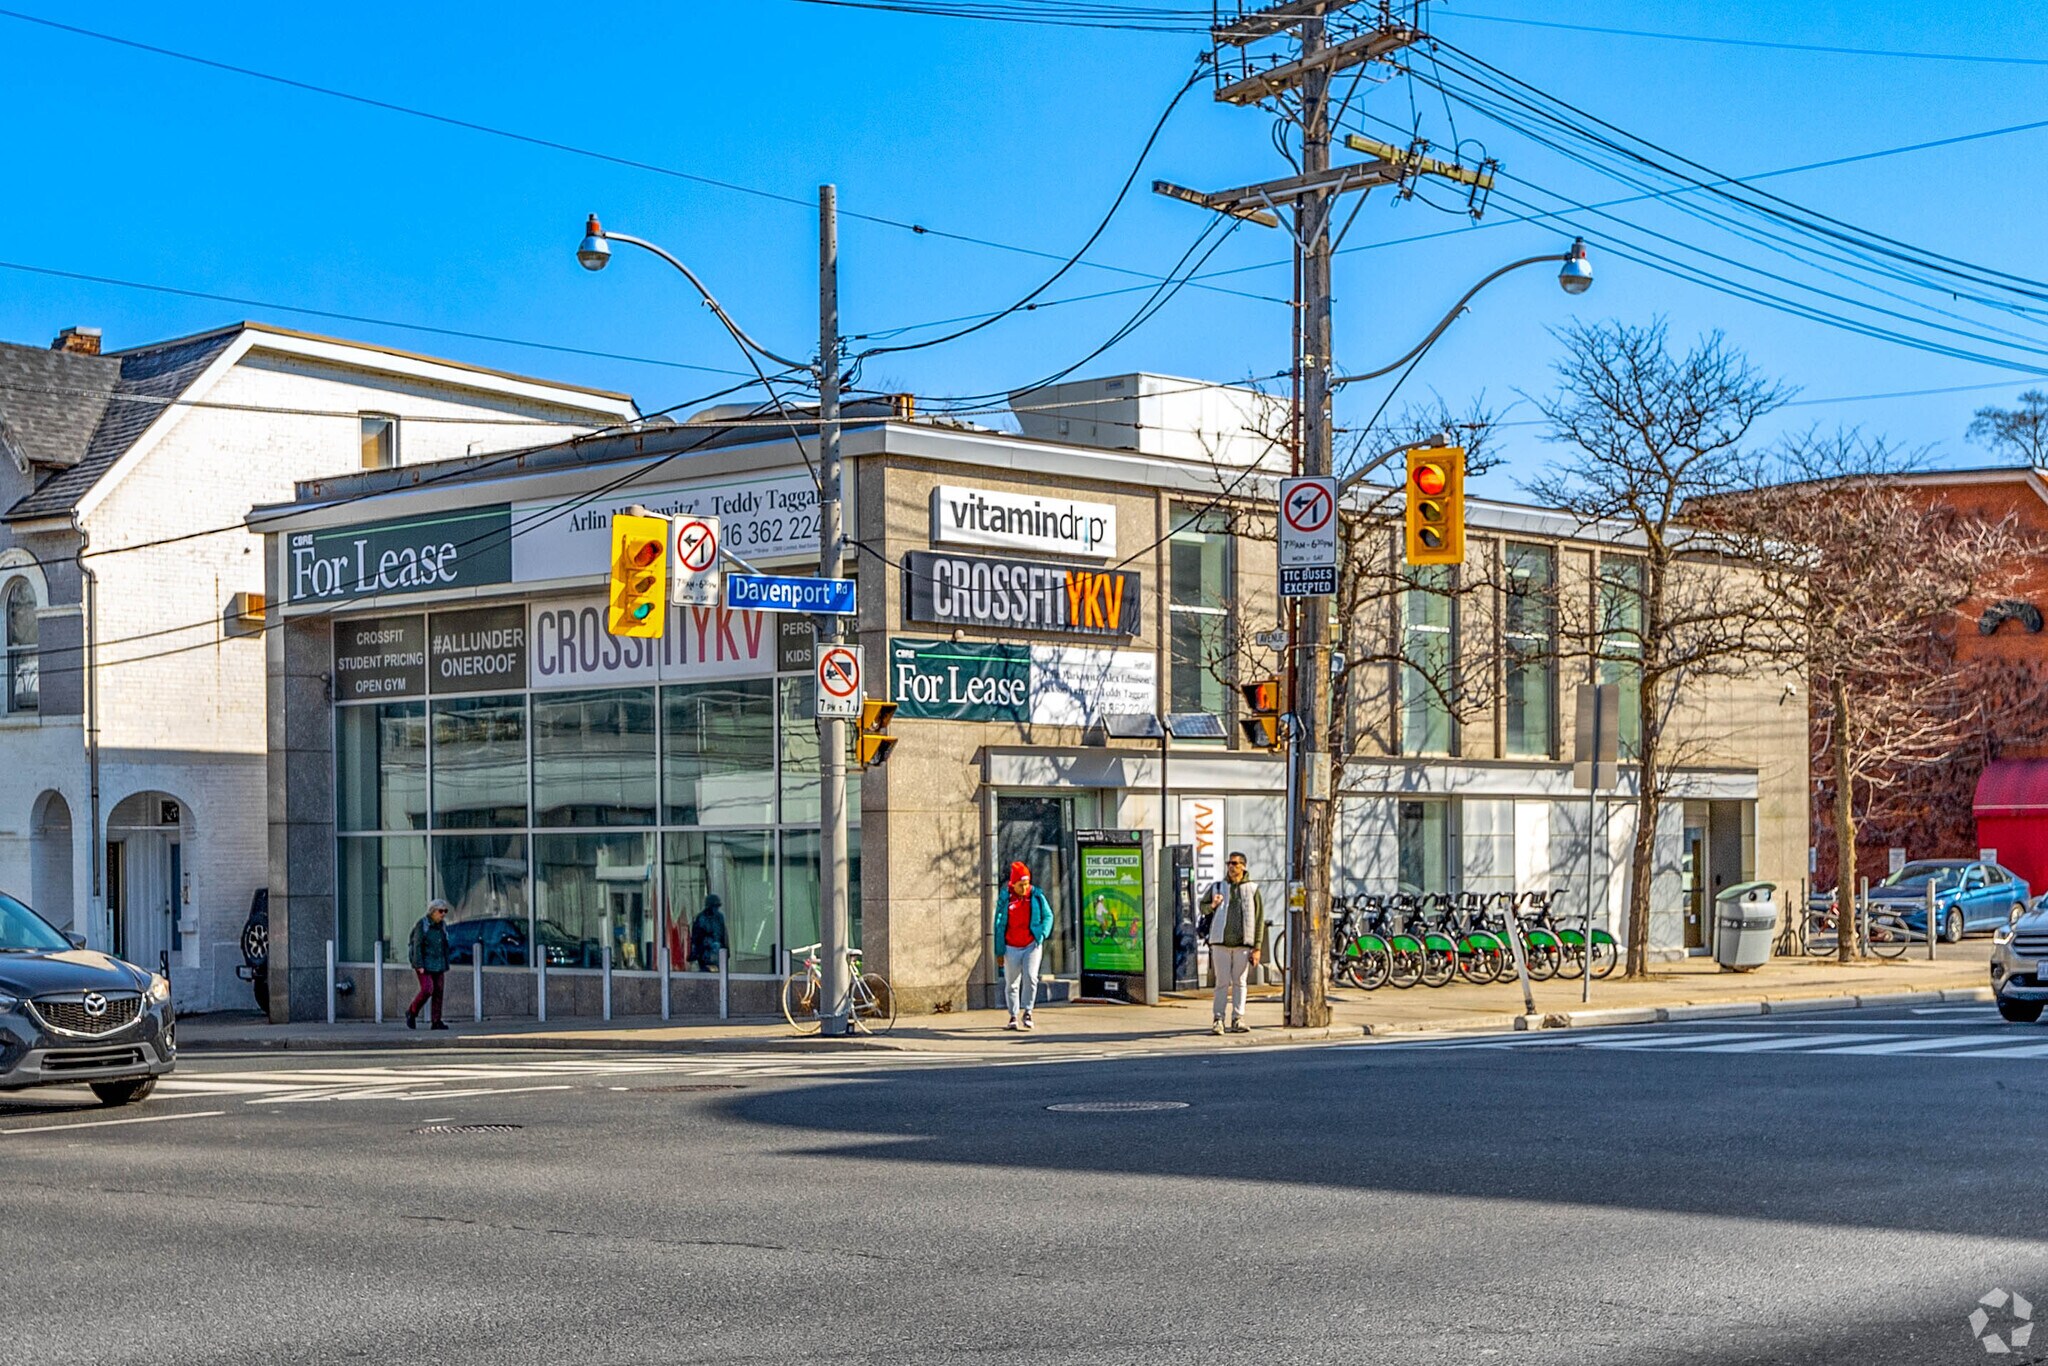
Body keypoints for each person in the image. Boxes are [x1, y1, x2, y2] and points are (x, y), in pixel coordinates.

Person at [1203, 852, 1265, 1035]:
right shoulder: (1218, 887)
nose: (1231, 866)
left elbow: (1259, 919)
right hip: (1220, 943)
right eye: (1229, 863)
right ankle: (1218, 1019)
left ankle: (1238, 1018)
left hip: (1243, 944)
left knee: (1240, 982)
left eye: (1235, 863)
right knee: (1221, 982)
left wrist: (1257, 947)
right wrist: (1212, 905)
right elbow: (1203, 908)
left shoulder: (1252, 889)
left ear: (1243, 867)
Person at [1000, 861, 1054, 1032]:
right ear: (1013, 884)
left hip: (1032, 944)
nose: (1024, 888)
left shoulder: (1036, 896)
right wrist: (999, 950)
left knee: (1031, 977)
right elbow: (998, 924)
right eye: (1020, 885)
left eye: (1026, 884)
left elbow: (1048, 915)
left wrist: (1042, 934)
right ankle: (1013, 1015)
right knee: (1012, 982)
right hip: (1011, 946)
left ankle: (1028, 1012)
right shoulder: (1006, 898)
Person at [406, 898, 453, 1031]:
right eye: (440, 911)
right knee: (427, 989)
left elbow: (444, 945)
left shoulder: (442, 926)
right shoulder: (422, 925)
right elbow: (417, 945)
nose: (443, 914)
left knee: (438, 991)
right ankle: (412, 1011)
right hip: (425, 963)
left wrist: (446, 962)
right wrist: (418, 964)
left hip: (439, 962)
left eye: (445, 911)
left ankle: (436, 1021)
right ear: (432, 911)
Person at [689, 894, 729, 973]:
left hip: (718, 952)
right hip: (704, 952)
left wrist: (726, 950)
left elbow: (723, 935)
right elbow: (696, 937)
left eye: (717, 906)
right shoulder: (701, 918)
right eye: (714, 906)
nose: (716, 909)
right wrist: (696, 951)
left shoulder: (720, 917)